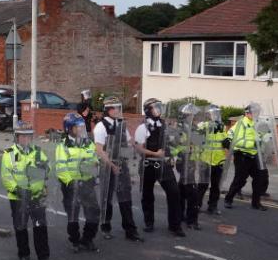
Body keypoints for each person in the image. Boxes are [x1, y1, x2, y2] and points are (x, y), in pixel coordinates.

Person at [1, 121, 55, 260]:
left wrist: (44, 168)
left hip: (36, 196)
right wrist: (17, 189)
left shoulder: (38, 151)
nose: (25, 140)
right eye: (22, 137)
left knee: (40, 226)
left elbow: (48, 168)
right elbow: (6, 177)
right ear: (16, 137)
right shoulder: (9, 154)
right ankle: (24, 254)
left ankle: (44, 257)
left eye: (28, 137)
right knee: (21, 226)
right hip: (18, 197)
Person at [93, 97, 143, 242]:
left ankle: (130, 230)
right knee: (107, 198)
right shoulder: (101, 126)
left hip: (122, 164)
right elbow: (99, 150)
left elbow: (129, 141)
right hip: (108, 166)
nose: (118, 111)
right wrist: (111, 165)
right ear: (108, 110)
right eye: (116, 108)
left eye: (118, 108)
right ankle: (105, 226)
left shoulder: (121, 124)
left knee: (125, 197)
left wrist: (139, 148)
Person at [133, 99, 185, 237]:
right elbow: (138, 148)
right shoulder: (142, 127)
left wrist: (172, 155)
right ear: (148, 110)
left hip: (164, 165)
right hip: (148, 165)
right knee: (147, 195)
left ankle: (175, 225)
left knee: (174, 193)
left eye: (159, 107)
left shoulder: (164, 125)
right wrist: (154, 153)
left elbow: (169, 143)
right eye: (156, 108)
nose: (159, 110)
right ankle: (149, 223)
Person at [55, 112, 101, 252]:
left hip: (87, 184)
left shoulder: (88, 144)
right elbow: (61, 168)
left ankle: (87, 239)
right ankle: (75, 241)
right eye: (77, 127)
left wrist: (95, 175)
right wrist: (71, 183)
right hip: (71, 186)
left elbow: (95, 162)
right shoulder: (62, 146)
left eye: (82, 127)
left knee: (94, 212)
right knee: (73, 215)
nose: (81, 129)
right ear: (69, 128)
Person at [223, 104, 269, 212]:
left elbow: (263, 136)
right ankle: (228, 199)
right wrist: (229, 140)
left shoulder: (259, 124)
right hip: (242, 155)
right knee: (240, 179)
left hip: (255, 155)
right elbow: (231, 134)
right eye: (254, 112)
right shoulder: (241, 123)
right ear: (247, 113)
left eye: (258, 112)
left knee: (259, 178)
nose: (256, 114)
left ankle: (256, 203)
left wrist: (266, 140)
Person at [196, 105, 229, 215]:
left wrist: (227, 142)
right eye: (213, 113)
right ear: (208, 115)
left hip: (218, 160)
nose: (215, 115)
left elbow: (225, 139)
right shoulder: (203, 125)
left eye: (217, 113)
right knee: (203, 185)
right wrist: (209, 129)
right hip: (206, 160)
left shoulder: (222, 126)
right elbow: (196, 137)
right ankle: (197, 205)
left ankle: (212, 206)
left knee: (216, 186)